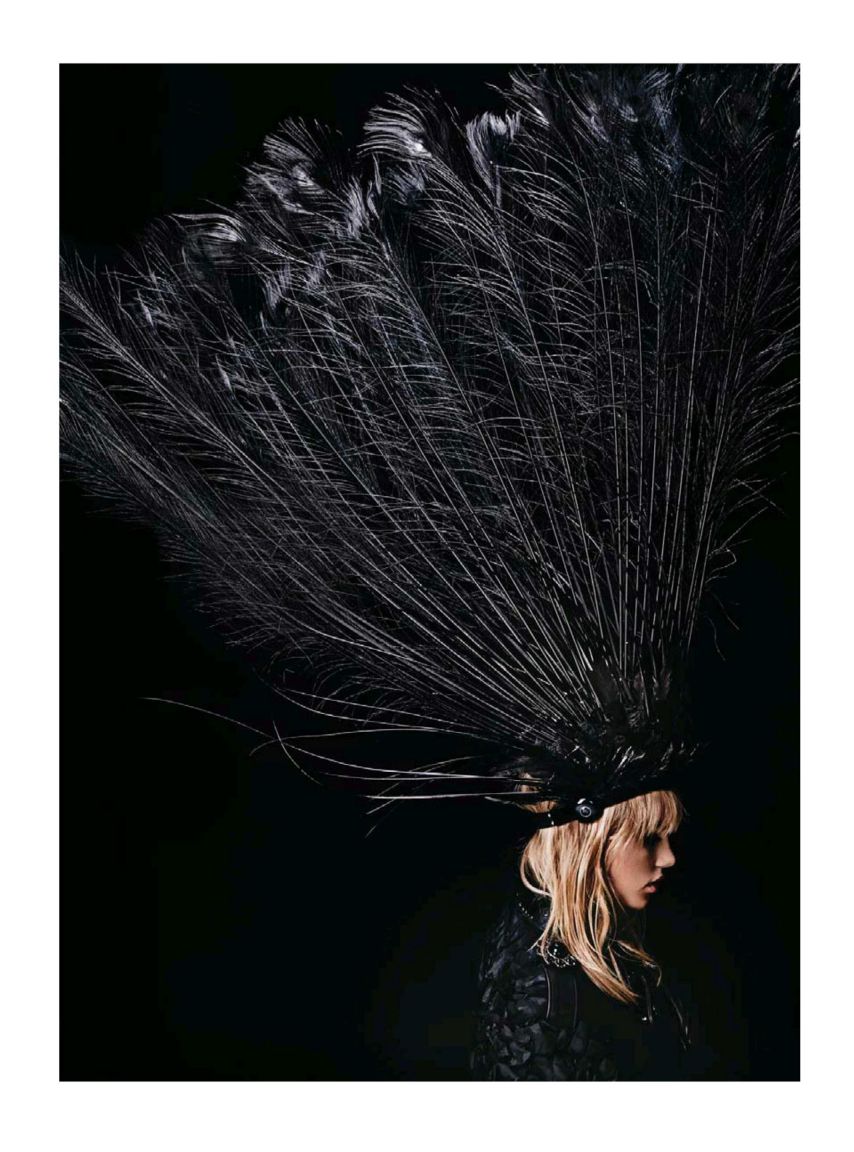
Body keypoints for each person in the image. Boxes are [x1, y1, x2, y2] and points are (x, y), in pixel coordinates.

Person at [471, 790, 711, 1080]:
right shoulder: (543, 992)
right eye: (648, 839)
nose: (668, 858)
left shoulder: (595, 930)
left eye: (667, 838)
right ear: (590, 842)